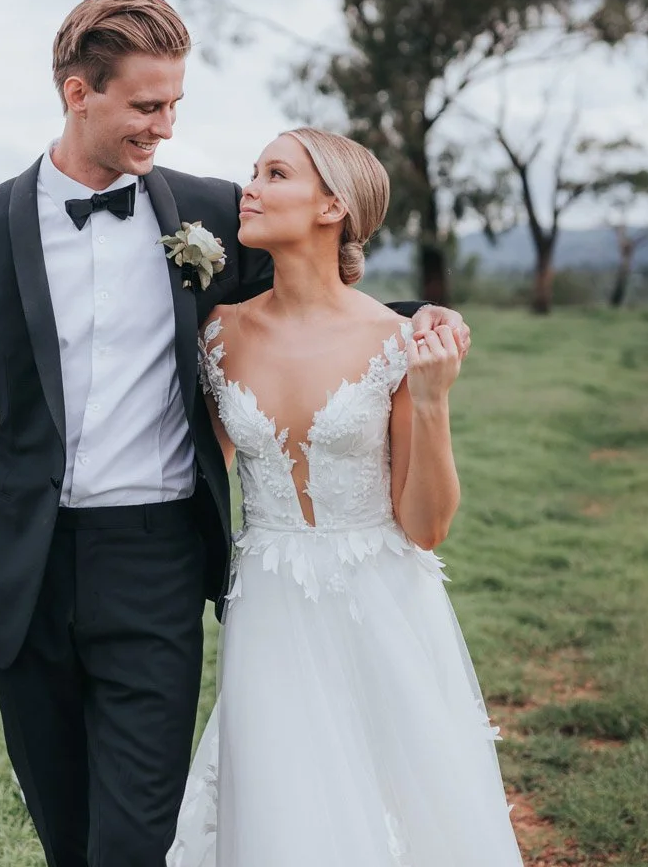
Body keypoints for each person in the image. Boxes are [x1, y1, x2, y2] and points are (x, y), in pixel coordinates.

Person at [0, 0, 471, 867]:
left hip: (158, 560)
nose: (163, 127)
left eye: (174, 105)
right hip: (24, 567)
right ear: (76, 92)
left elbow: (318, 294)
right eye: (144, 106)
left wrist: (423, 318)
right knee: (67, 831)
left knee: (135, 840)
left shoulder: (209, 212)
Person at [166, 127, 521, 866]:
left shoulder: (398, 340)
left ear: (333, 206)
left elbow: (425, 527)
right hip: (265, 600)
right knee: (280, 799)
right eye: (253, 171)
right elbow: (200, 470)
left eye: (274, 173)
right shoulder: (217, 334)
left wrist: (431, 401)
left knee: (401, 802)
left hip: (382, 601)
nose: (250, 189)